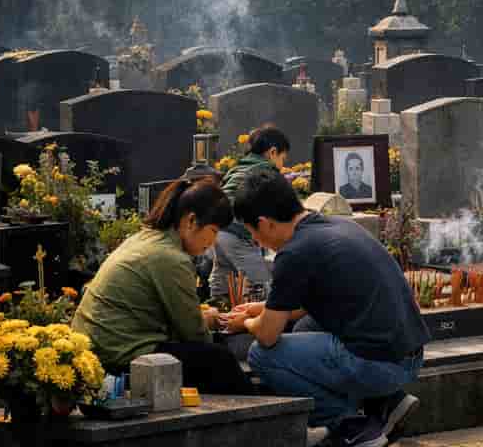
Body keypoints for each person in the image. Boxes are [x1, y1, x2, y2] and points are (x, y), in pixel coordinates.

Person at [230, 168, 427, 447]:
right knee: (304, 327)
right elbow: (308, 302)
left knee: (262, 355)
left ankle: (353, 427)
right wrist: (261, 307)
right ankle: (387, 402)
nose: (257, 243)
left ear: (264, 224)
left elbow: (267, 335)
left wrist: (245, 323)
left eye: (253, 234)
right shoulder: (335, 226)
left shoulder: (294, 252)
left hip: (383, 365)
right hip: (408, 354)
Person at [71, 179, 251, 393]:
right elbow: (194, 334)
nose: (212, 243)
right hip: (119, 354)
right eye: (213, 231)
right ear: (191, 221)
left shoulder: (143, 238)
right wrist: (210, 321)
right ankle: (266, 419)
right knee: (218, 359)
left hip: (95, 347)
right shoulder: (171, 258)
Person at [212, 124, 291, 306]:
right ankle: (266, 312)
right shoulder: (267, 173)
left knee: (223, 271)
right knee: (260, 277)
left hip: (217, 227)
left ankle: (218, 305)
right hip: (238, 231)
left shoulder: (238, 167)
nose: (282, 164)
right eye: (283, 158)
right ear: (272, 153)